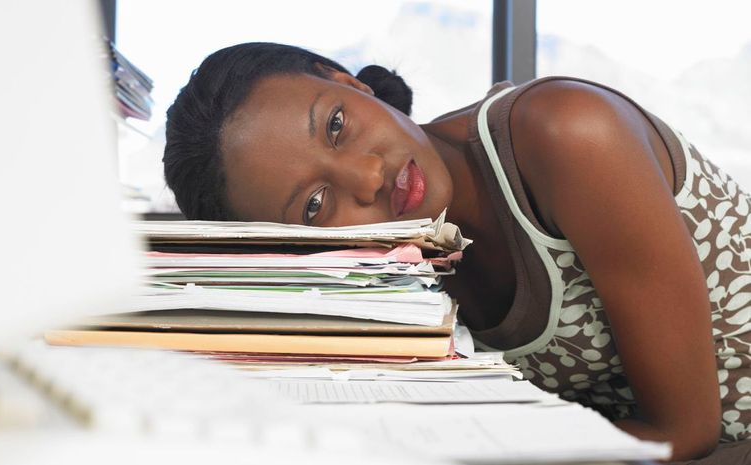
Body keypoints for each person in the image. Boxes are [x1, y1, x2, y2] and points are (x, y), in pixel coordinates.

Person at [162, 42, 751, 462]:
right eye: (315, 205)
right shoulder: (390, 274)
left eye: (337, 126)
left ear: (348, 82)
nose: (368, 178)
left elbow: (684, 433)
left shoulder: (567, 134)